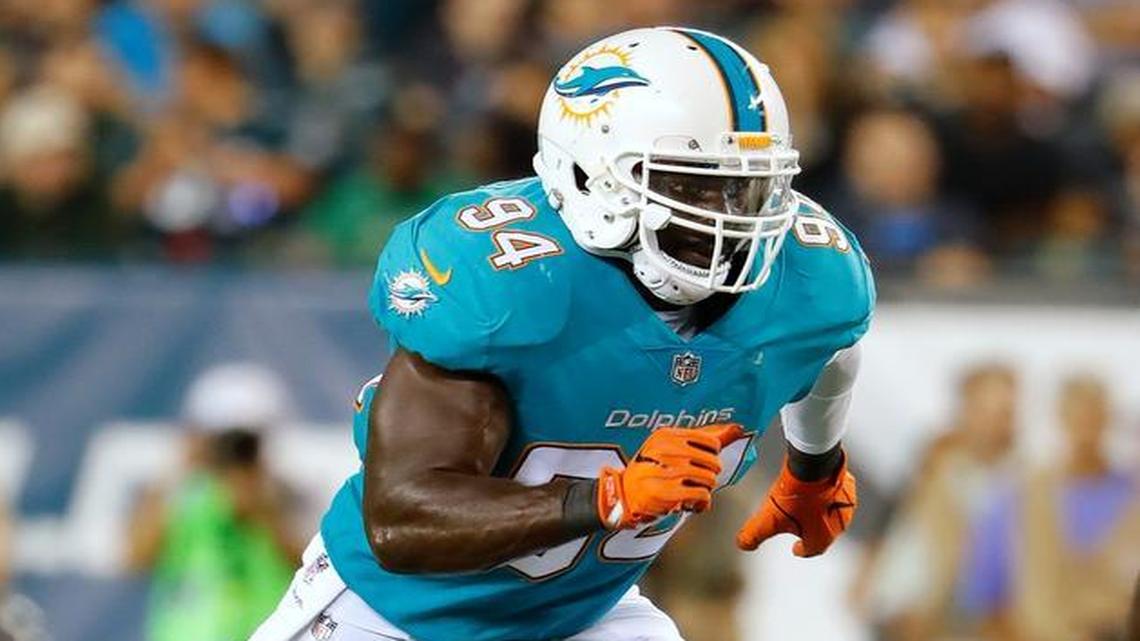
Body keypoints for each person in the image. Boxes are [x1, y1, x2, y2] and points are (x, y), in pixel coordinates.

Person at [252, 27, 875, 641]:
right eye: (693, 185)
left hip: (576, 615)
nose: (730, 217)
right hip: (394, 615)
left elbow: (828, 351)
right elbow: (402, 520)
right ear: (587, 174)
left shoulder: (811, 276)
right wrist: (607, 499)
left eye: (747, 186)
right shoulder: (508, 286)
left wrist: (814, 466)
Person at [127, 363, 304, 641]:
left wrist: (264, 508)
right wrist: (180, 470)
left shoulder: (287, 495)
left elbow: (309, 563)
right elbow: (136, 556)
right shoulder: (182, 495)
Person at [961, 373, 1140, 641]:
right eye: (1078, 420)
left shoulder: (1133, 498)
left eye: (1094, 419)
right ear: (1061, 420)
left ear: (1108, 421)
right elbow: (986, 599)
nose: (1086, 433)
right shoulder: (1018, 498)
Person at [856, 363, 1018, 641]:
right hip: (905, 610)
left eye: (1004, 413)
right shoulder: (938, 462)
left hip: (969, 619)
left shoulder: (1020, 477)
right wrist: (869, 574)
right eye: (984, 410)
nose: (993, 423)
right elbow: (899, 521)